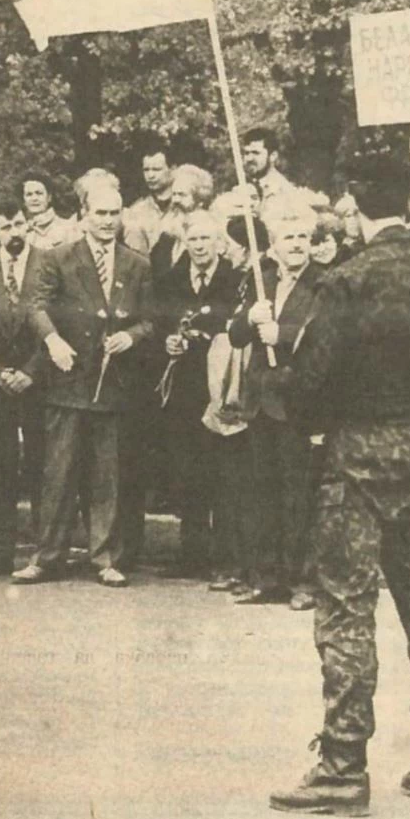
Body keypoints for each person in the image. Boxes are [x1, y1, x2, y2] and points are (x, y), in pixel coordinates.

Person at [270, 154, 410, 817]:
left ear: (356, 207)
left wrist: (284, 380)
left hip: (357, 454)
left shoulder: (346, 282)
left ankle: (343, 764)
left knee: (346, 608)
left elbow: (313, 381)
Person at [12, 182, 153, 588]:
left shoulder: (137, 264)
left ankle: (105, 558)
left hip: (112, 385)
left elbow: (149, 320)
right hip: (68, 381)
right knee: (58, 473)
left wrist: (131, 337)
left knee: (107, 475)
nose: (108, 222)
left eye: (114, 214)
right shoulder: (58, 257)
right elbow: (35, 306)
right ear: (84, 215)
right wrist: (53, 341)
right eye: (100, 214)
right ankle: (47, 557)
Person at [229, 195, 324, 610]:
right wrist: (250, 319)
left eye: (303, 236)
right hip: (260, 401)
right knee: (262, 492)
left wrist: (281, 336)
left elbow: (326, 335)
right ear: (272, 244)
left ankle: (303, 581)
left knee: (298, 495)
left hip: (298, 401)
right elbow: (235, 335)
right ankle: (267, 578)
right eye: (289, 237)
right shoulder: (260, 279)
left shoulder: (323, 283)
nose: (297, 244)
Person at [154, 210, 242, 580]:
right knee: (187, 469)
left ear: (219, 243)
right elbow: (158, 322)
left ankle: (224, 558)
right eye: (193, 239)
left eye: (206, 239)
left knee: (221, 469)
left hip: (220, 387)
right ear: (184, 243)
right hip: (184, 390)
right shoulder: (171, 280)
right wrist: (168, 341)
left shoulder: (234, 280)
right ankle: (191, 554)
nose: (200, 246)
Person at [0, 195, 49, 577]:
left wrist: (32, 371)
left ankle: (46, 551)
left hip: (40, 382)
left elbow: (61, 323)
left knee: (41, 464)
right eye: (5, 227)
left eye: (19, 224)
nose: (14, 232)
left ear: (28, 224)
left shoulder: (49, 264)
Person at [150, 164, 215, 278]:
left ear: (200, 201)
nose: (175, 200)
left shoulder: (212, 239)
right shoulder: (165, 239)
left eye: (182, 195)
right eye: (174, 194)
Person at [122, 137, 175, 255]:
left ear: (172, 169)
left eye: (157, 169)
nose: (150, 175)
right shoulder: (136, 211)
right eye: (146, 170)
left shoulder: (185, 205)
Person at [20, 170, 70, 250]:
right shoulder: (21, 232)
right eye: (29, 194)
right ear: (24, 200)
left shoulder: (67, 228)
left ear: (49, 197)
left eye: (39, 193)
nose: (34, 198)